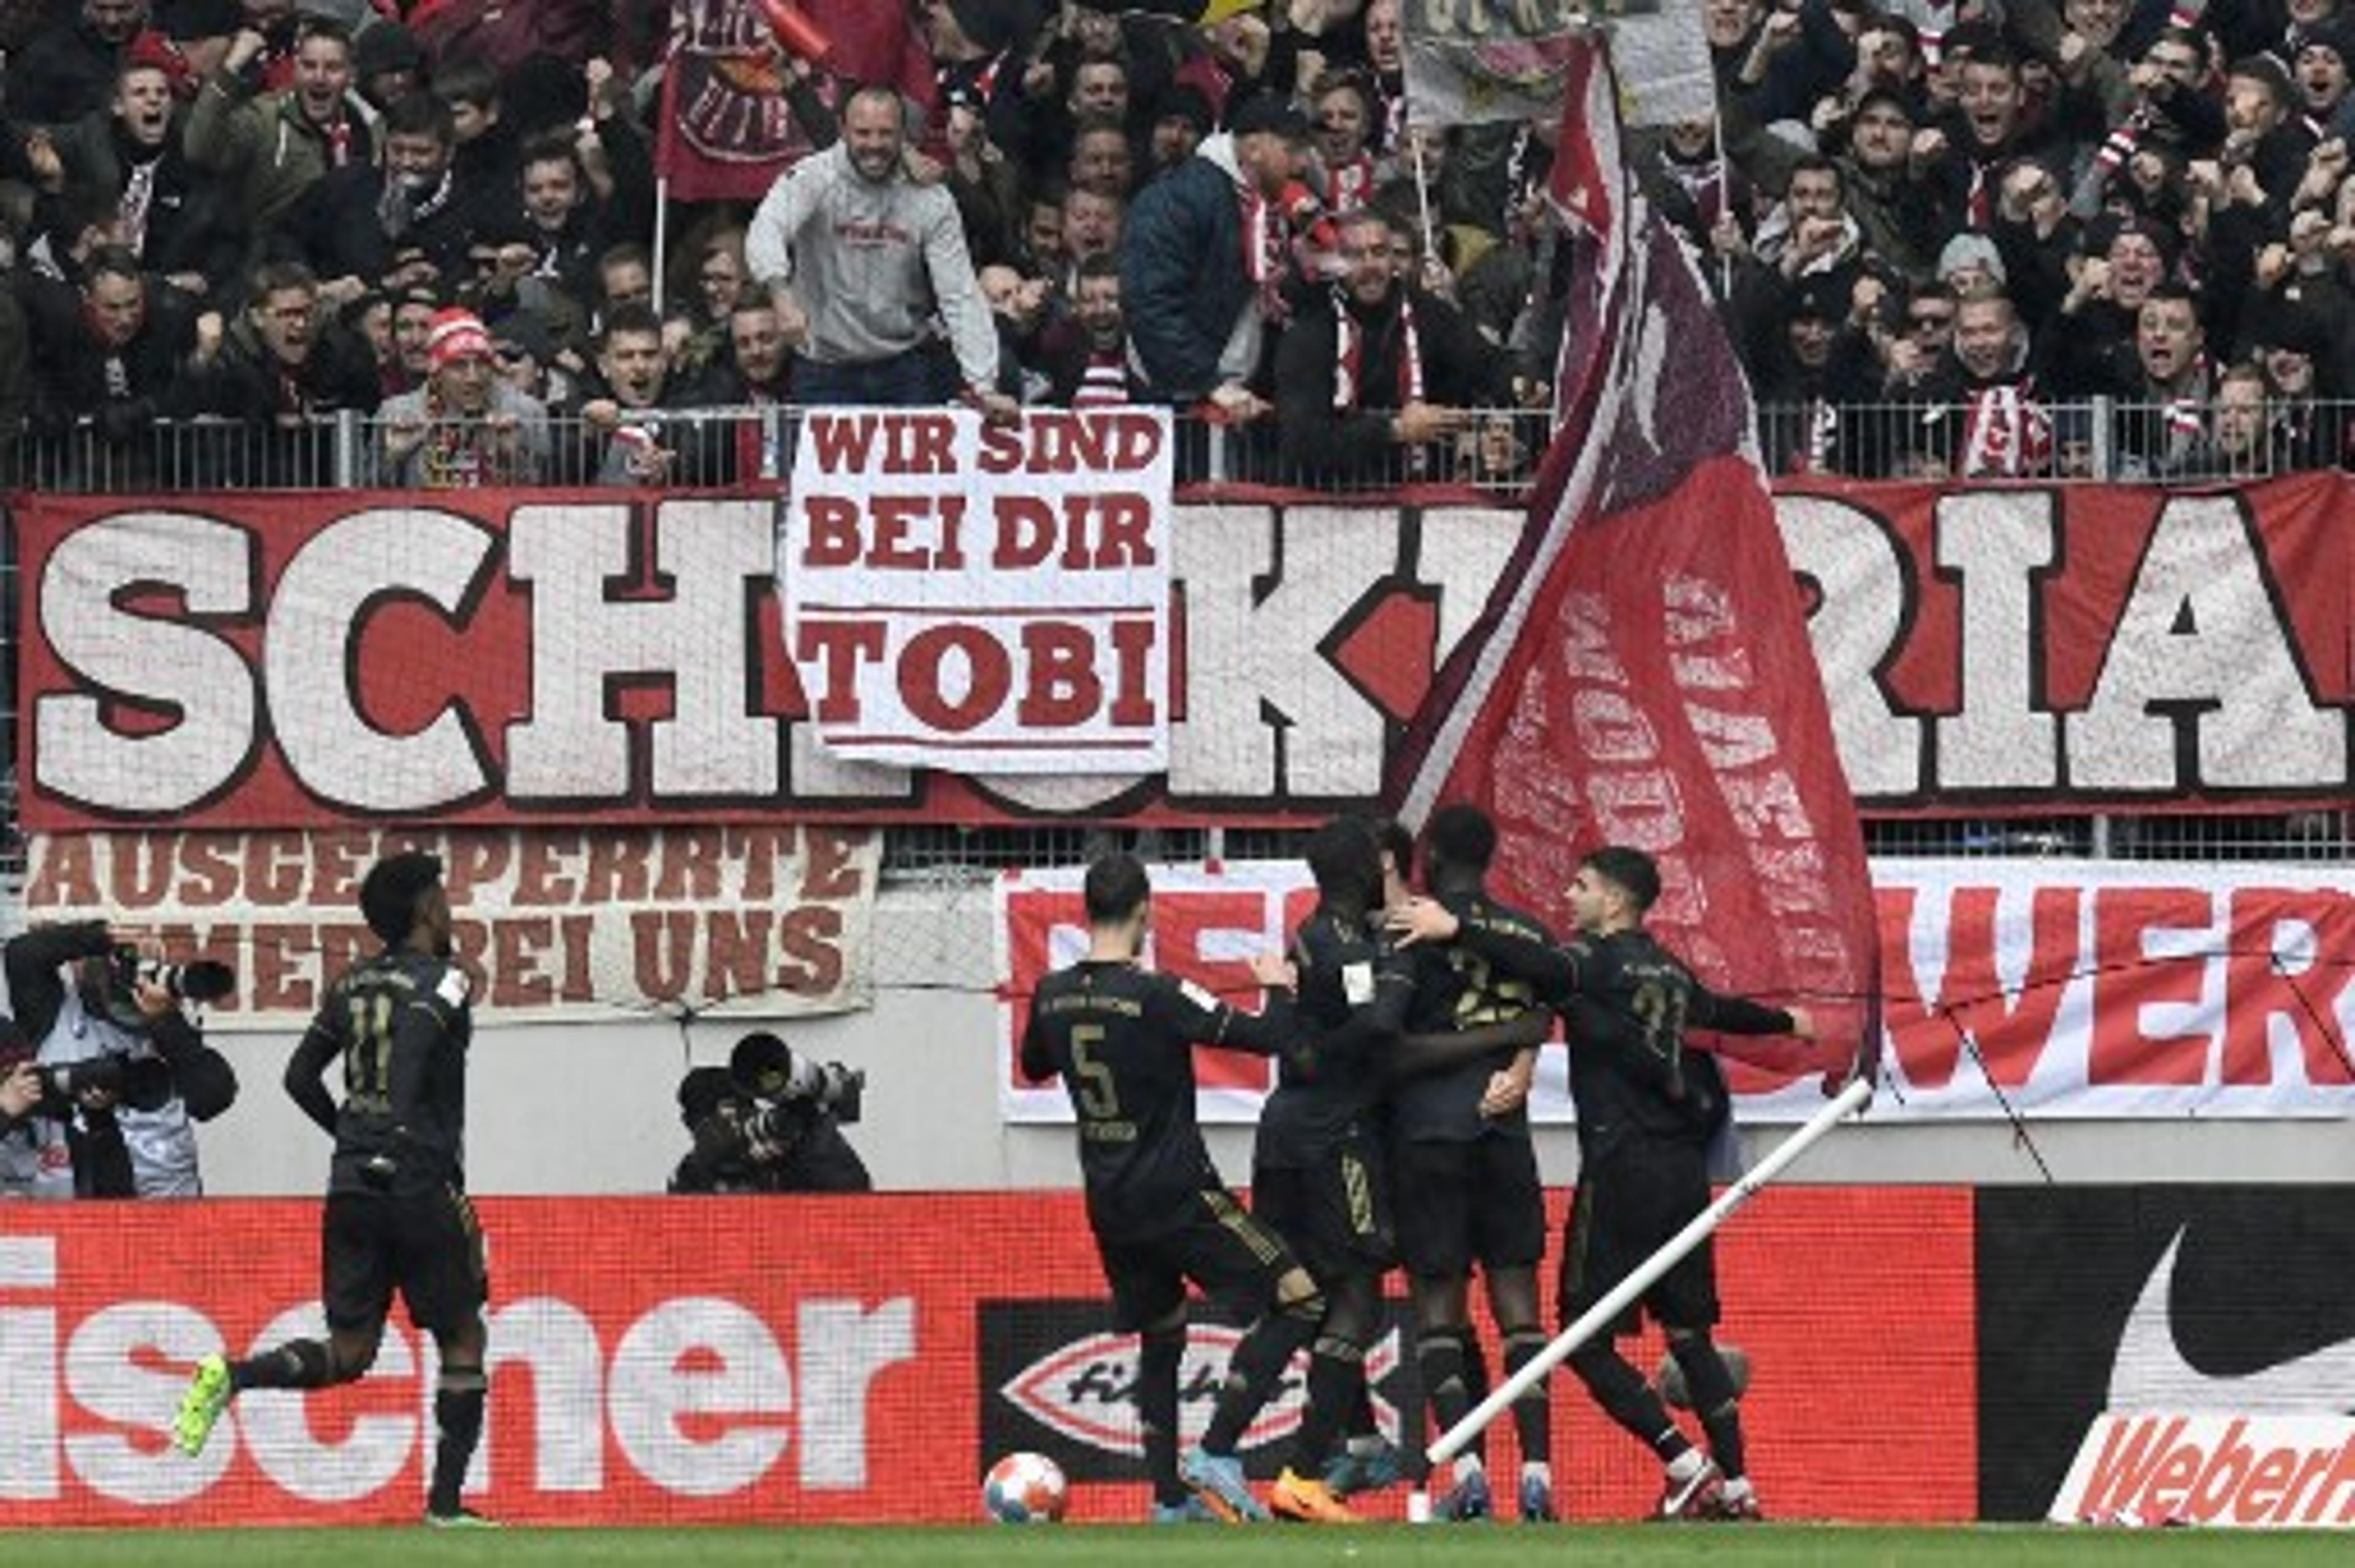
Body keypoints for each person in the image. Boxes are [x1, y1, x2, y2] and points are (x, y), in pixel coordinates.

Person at [1391, 844, 1818, 1523]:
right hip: (1683, 1172)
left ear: (1616, 901)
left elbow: (1535, 964)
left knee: (1582, 1339)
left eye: (1582, 886)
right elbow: (1721, 1009)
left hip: (1621, 1167)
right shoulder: (1669, 968)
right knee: (1688, 1333)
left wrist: (1457, 930)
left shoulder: (1591, 962)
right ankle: (1739, 1485)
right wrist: (1788, 1022)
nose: (1568, 895)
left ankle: (1685, 1463)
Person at [173, 852, 494, 1529]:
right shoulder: (449, 980)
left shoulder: (348, 984)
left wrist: (354, 1138)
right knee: (463, 1336)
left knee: (350, 1353)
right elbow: (409, 1044)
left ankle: (233, 1375)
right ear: (425, 908)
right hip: (418, 1180)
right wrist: (401, 1132)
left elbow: (298, 1077)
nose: (450, 905)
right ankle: (444, 1507)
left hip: (351, 1184)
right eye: (442, 894)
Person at [1017, 851, 1321, 1525]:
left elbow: (1034, 1065)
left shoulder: (1052, 992)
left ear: (1085, 911)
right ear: (1146, 910)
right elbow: (1269, 1036)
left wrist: (1056, 1019)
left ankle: (1168, 1499)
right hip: (1179, 1192)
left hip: (1110, 1200)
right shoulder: (1158, 993)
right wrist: (1279, 985)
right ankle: (1216, 1450)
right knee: (1300, 1298)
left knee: (1162, 1333)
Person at [1382, 805, 1558, 1523]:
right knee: (1519, 1309)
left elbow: (1385, 1042)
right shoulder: (1527, 932)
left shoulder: (1406, 930)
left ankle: (1471, 1469)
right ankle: (1540, 1476)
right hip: (1504, 1136)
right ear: (1490, 859)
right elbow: (1549, 998)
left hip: (1428, 1136)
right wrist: (1521, 1057)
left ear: (1427, 859)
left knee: (1439, 1314)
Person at [1247, 816, 1415, 1523]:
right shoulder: (1346, 942)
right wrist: (1402, 970)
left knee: (1311, 1296)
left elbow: (1309, 1033)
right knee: (1359, 1297)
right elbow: (1375, 1025)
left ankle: (1361, 1438)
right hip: (1333, 1138)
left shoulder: (1311, 936)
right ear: (1365, 872)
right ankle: (1303, 1474)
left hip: (1285, 1132)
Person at [744, 83, 1014, 415]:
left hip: (905, 368)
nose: (874, 145)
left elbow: (959, 292)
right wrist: (780, 297)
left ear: (903, 134)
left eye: (886, 134)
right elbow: (766, 229)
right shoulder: (811, 177)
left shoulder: (929, 196)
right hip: (825, 370)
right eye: (863, 133)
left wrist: (984, 384)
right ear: (842, 130)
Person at [1, 921, 239, 1199]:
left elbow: (213, 1099)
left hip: (165, 1206)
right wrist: (101, 937)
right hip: (69, 1204)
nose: (135, 985)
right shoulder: (54, 1013)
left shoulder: (169, 1022)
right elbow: (21, 954)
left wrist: (164, 1021)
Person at [372, 306, 550, 486]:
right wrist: (392, 459)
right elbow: (365, 495)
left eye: (482, 364)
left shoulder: (525, 411)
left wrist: (513, 459)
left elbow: (549, 496)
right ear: (436, 371)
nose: (473, 378)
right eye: (458, 366)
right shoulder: (398, 412)